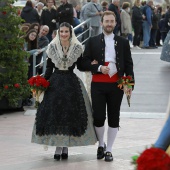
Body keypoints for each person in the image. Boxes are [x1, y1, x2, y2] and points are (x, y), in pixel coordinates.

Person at [31, 22, 97, 160]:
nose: (64, 34)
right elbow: (48, 70)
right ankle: (58, 146)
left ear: (70, 33)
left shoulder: (77, 47)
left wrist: (92, 65)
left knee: (70, 115)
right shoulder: (52, 47)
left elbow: (80, 66)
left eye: (66, 31)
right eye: (61, 31)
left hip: (71, 84)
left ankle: (65, 147)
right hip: (55, 84)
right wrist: (41, 83)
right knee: (56, 115)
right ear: (58, 32)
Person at [81, 11, 135, 162]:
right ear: (101, 23)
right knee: (98, 117)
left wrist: (129, 84)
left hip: (116, 85)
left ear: (115, 23)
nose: (109, 24)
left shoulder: (123, 42)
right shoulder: (92, 41)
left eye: (112, 21)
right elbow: (83, 63)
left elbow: (129, 64)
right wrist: (98, 67)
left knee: (114, 117)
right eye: (107, 21)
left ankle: (109, 149)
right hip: (98, 84)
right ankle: (101, 144)